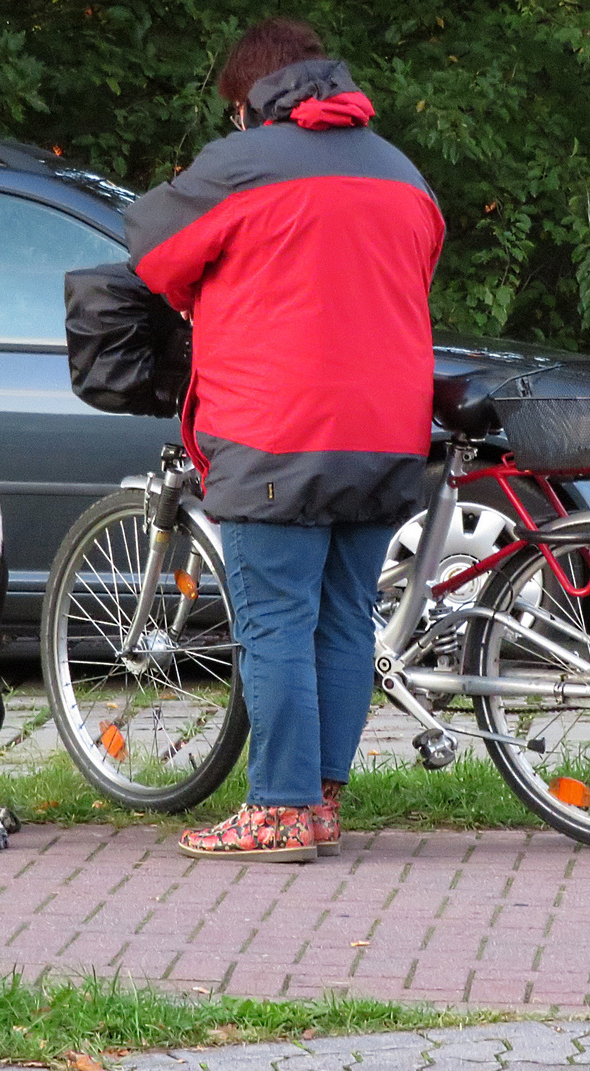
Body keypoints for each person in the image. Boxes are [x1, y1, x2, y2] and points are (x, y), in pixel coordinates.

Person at [123, 17, 444, 862]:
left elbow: (152, 255)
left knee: (273, 618)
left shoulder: (241, 164)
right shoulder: (401, 171)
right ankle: (322, 800)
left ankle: (280, 809)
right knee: (341, 616)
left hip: (278, 430)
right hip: (389, 430)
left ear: (247, 103)